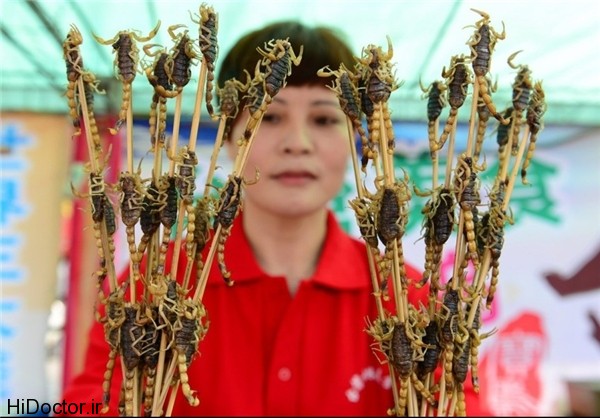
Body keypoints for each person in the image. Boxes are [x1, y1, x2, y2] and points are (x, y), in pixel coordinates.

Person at [60, 21, 488, 416]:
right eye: (270, 116)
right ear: (229, 136)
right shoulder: (156, 286)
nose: (297, 142)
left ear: (358, 140)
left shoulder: (408, 298)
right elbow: (90, 402)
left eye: (323, 118)